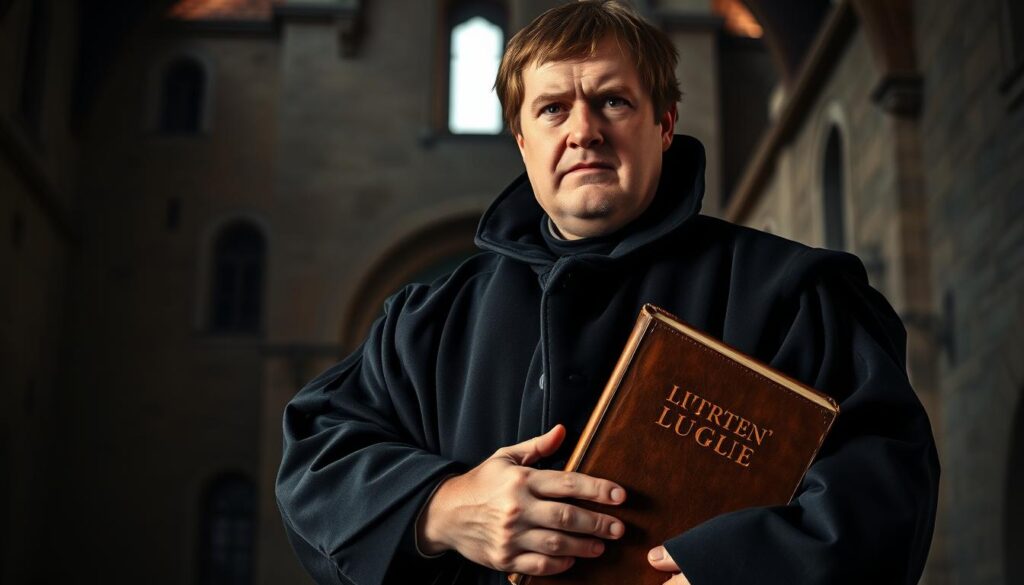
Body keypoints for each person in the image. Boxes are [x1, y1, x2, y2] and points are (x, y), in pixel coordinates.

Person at [275, 2, 940, 584]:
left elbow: (886, 482)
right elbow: (317, 458)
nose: (583, 130)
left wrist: (734, 570)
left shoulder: (797, 293)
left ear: (665, 122)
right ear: (522, 138)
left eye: (613, 101)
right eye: (553, 108)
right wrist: (443, 507)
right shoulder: (426, 321)